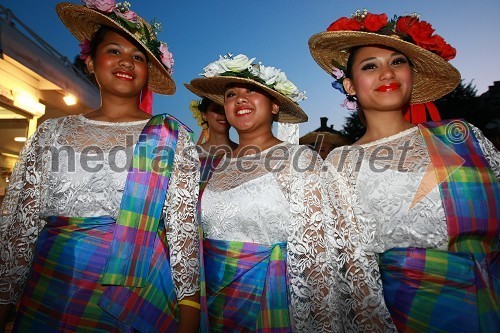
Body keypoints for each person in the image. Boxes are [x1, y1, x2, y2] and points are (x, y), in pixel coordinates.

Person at [0, 1, 202, 332]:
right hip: (52, 284)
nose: (127, 62)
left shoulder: (171, 137)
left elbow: (183, 232)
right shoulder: (52, 132)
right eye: (114, 50)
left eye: (138, 57)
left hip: (136, 290)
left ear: (148, 72)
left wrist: (189, 315)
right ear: (91, 62)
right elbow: (21, 229)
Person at [310, 10, 500, 332]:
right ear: (350, 85)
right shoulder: (340, 163)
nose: (387, 74)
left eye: (398, 62)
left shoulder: (461, 136)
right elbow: (349, 266)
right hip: (407, 315)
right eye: (370, 66)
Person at [187, 53, 336, 332]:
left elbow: (320, 253)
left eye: (252, 91)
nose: (240, 99)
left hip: (274, 296)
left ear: (275, 106)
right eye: (231, 94)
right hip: (215, 302)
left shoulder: (300, 160)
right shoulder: (216, 166)